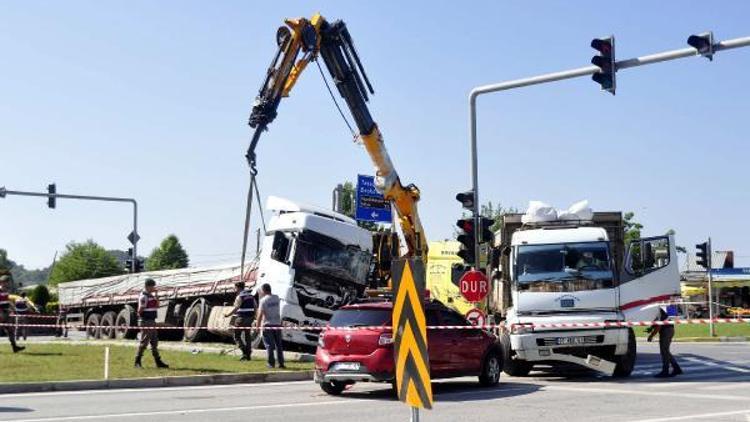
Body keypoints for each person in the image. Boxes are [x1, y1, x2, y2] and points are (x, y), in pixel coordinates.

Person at [134, 278, 168, 369]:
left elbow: (157, 305)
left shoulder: (151, 295)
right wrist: (142, 319)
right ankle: (137, 361)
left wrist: (156, 295)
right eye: (152, 286)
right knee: (144, 342)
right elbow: (140, 309)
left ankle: (158, 361)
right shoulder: (144, 296)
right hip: (146, 320)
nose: (154, 287)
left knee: (154, 341)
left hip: (152, 321)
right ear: (148, 286)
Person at [224, 281, 256, 361]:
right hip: (250, 318)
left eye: (235, 288)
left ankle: (244, 352)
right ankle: (248, 355)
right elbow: (255, 306)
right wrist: (254, 316)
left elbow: (236, 308)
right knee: (247, 336)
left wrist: (228, 315)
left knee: (236, 335)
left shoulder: (240, 297)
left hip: (241, 318)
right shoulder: (251, 296)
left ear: (238, 287)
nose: (235, 289)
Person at [648, 305, 682, 378]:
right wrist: (651, 327)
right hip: (669, 330)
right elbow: (656, 322)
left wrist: (651, 335)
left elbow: (659, 326)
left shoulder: (660, 311)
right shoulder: (662, 310)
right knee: (665, 351)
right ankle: (676, 368)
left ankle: (665, 371)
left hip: (666, 331)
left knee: (664, 351)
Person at [256, 283, 284, 368]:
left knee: (269, 345)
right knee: (279, 345)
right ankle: (281, 363)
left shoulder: (263, 300)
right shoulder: (277, 298)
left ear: (263, 290)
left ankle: (271, 364)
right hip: (277, 324)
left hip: (268, 324)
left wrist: (257, 326)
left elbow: (260, 314)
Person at [0, 277, 24, 353]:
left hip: (6, 313)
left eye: (8, 282)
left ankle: (14, 347)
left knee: (10, 330)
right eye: (6, 282)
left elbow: (6, 301)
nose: (7, 283)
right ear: (1, 282)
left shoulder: (6, 291)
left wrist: (12, 308)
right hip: (1, 313)